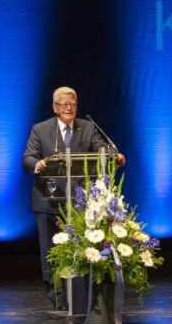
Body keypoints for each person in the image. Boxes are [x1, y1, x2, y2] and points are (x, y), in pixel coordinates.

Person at [22, 86, 126, 309]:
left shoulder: (88, 127)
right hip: (48, 200)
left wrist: (113, 155)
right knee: (50, 253)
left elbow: (101, 149)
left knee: (81, 250)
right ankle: (58, 299)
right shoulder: (40, 130)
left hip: (80, 204)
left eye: (72, 104)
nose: (68, 108)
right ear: (55, 107)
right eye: (63, 104)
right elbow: (28, 157)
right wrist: (37, 164)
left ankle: (80, 298)